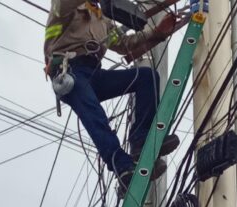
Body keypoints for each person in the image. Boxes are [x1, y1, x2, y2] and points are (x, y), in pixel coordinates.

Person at [44, 0, 181, 196]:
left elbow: (124, 44)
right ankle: (122, 166)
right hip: (70, 70)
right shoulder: (64, 5)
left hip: (94, 73)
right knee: (95, 115)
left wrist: (157, 33)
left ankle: (140, 141)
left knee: (147, 77)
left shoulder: (103, 19)